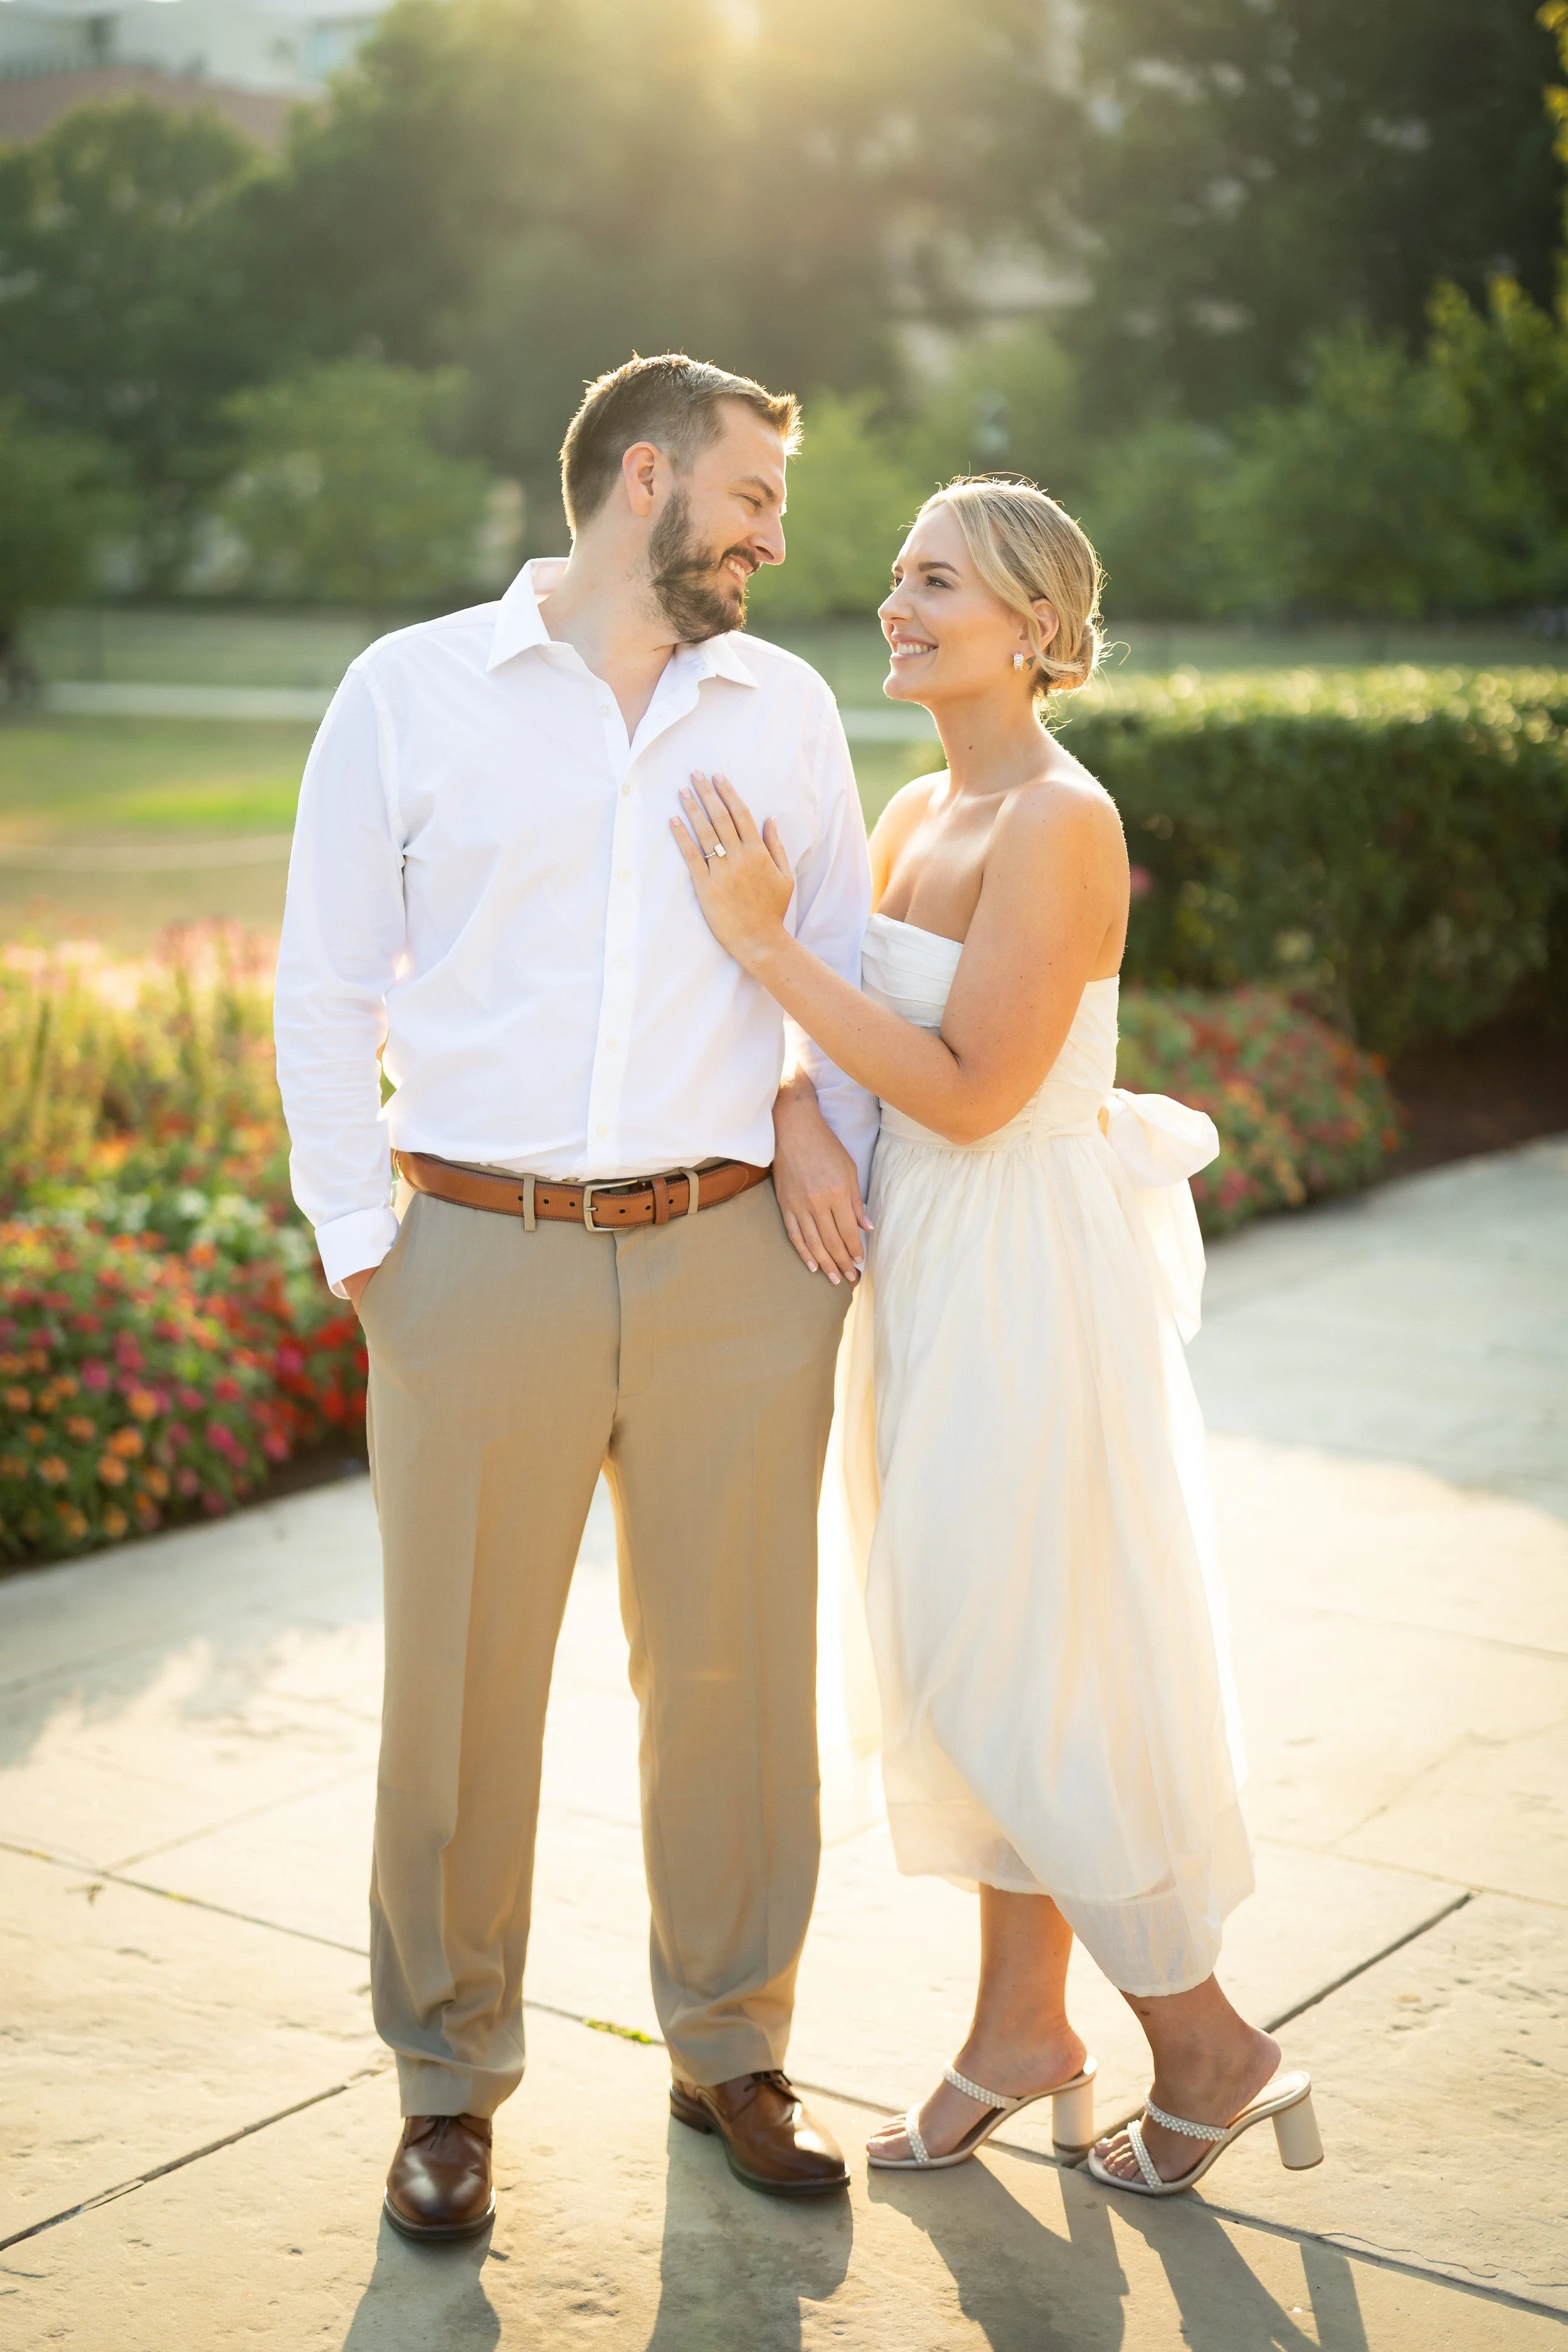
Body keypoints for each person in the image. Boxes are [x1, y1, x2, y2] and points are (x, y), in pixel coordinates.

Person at [274, 354, 882, 2240]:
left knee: (739, 1681)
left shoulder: (778, 707)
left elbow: (838, 962)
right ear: (646, 479)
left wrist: (809, 1132)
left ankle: (731, 2043)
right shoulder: (410, 688)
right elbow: (322, 981)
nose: (779, 536)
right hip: (471, 1255)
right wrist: (366, 1240)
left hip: (728, 1266)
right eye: (754, 496)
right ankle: (447, 2083)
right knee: (458, 1690)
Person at [669, 475, 1324, 2197]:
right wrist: (798, 1109)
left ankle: (1209, 2042)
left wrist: (759, 953)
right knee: (964, 1661)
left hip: (1024, 1270)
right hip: (923, 1272)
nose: (895, 603)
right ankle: (1015, 2029)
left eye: (936, 580)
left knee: (1019, 1667)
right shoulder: (909, 806)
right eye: (893, 574)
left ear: (1034, 628)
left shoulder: (1059, 818)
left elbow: (967, 1094)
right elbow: (867, 1059)